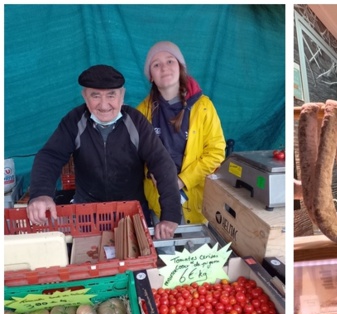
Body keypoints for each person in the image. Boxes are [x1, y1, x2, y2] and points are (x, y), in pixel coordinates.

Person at [27, 64, 181, 240]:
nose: (104, 104)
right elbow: (50, 156)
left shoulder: (136, 122)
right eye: (95, 95)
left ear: (122, 96)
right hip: (87, 214)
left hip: (132, 211)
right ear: (85, 97)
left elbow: (161, 163)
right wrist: (41, 194)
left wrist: (170, 215)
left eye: (111, 95)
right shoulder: (74, 121)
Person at [137, 41, 226, 225]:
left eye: (170, 61)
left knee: (197, 251)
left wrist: (181, 181)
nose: (164, 68)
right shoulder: (141, 113)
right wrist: (151, 173)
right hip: (158, 204)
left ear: (180, 67)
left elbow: (216, 153)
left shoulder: (204, 107)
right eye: (156, 64)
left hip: (198, 204)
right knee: (165, 251)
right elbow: (135, 156)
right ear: (151, 76)